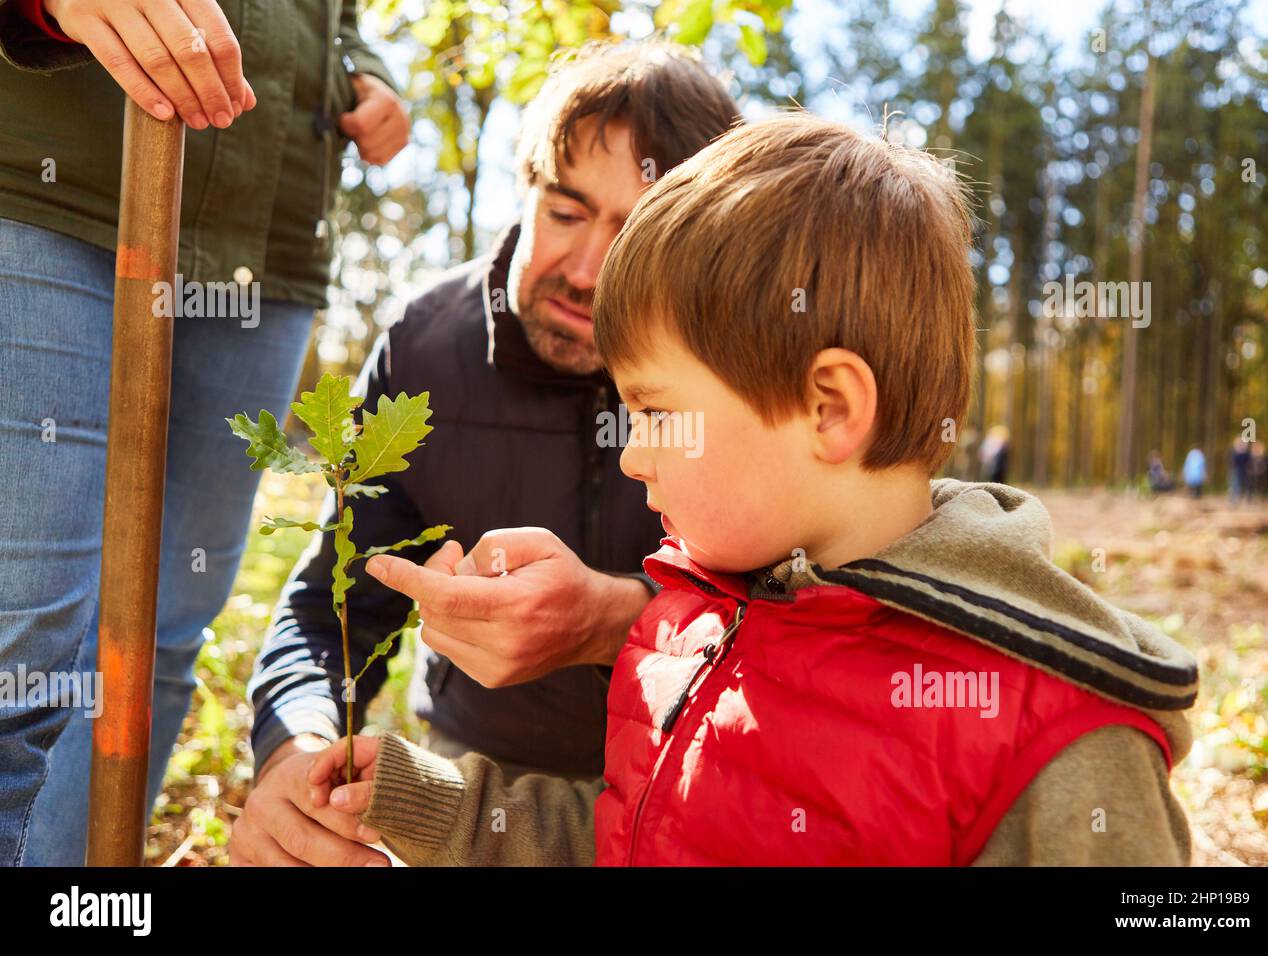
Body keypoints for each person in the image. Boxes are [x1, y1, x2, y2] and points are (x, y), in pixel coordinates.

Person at [313, 114, 1199, 866]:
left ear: (829, 407)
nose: (633, 456)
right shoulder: (694, 622)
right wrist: (436, 802)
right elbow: (644, 832)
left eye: (657, 412)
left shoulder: (1056, 748)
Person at [229, 39, 741, 866]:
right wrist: (296, 750)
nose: (587, 271)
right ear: (524, 186)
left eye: (638, 233)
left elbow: (816, 620)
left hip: (703, 782)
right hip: (476, 795)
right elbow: (331, 612)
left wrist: (617, 623)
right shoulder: (426, 350)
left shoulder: (746, 365)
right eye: (566, 212)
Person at [0, 0, 409, 866]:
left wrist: (364, 70)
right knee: (21, 637)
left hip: (264, 242)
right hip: (48, 194)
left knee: (165, 627)